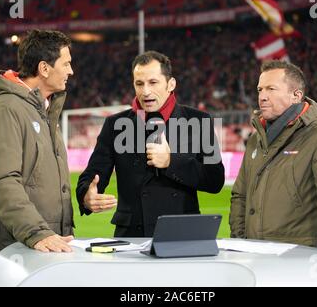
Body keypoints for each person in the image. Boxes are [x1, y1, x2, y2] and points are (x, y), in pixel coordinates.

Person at [76, 50, 225, 237]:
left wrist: (172, 162)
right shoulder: (115, 124)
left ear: (171, 84)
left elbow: (215, 180)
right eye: (139, 84)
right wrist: (86, 196)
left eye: (153, 82)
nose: (145, 91)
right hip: (132, 235)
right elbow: (92, 174)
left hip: (182, 233)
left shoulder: (199, 121)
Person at [229, 60, 317, 254]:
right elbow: (240, 195)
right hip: (254, 252)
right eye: (260, 89)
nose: (262, 96)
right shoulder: (256, 138)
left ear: (296, 96)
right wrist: (238, 238)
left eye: (271, 89)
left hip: (300, 253)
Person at [0, 30, 75, 264]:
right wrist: (36, 232)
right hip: (20, 252)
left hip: (47, 248)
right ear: (44, 68)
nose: (71, 71)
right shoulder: (5, 109)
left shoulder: (43, 110)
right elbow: (1, 181)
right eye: (67, 63)